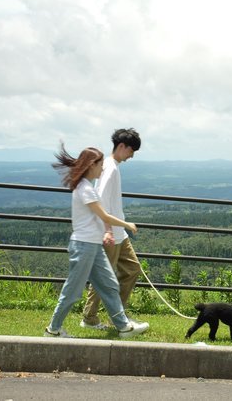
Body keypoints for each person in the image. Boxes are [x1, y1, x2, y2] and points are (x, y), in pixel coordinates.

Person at [44, 144, 149, 338]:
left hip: (93, 246)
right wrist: (127, 225)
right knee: (73, 291)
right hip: (83, 246)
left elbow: (101, 219)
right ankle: (53, 329)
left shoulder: (87, 187)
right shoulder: (85, 189)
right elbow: (105, 216)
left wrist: (108, 231)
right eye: (100, 165)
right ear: (91, 165)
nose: (102, 168)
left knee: (109, 285)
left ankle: (123, 327)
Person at [80, 128, 143, 330]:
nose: (132, 156)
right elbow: (100, 200)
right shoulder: (110, 168)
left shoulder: (111, 166)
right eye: (131, 150)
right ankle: (90, 318)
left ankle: (119, 314)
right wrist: (107, 230)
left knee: (132, 269)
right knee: (103, 277)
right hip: (110, 234)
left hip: (119, 234)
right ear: (122, 146)